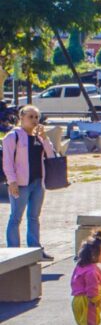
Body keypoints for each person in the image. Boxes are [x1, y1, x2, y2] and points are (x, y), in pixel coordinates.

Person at [2, 105, 56, 259]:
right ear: (22, 118)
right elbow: (7, 162)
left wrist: (45, 138)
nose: (34, 120)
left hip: (38, 182)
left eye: (36, 117)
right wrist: (12, 181)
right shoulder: (13, 136)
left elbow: (51, 156)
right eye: (30, 117)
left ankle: (35, 249)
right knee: (16, 217)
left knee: (34, 217)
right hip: (20, 184)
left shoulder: (39, 136)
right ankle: (14, 253)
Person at [71, 228, 101, 325]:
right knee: (91, 321)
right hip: (87, 301)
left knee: (83, 321)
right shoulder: (91, 271)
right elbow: (92, 287)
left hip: (78, 299)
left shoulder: (82, 266)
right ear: (94, 255)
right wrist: (93, 300)